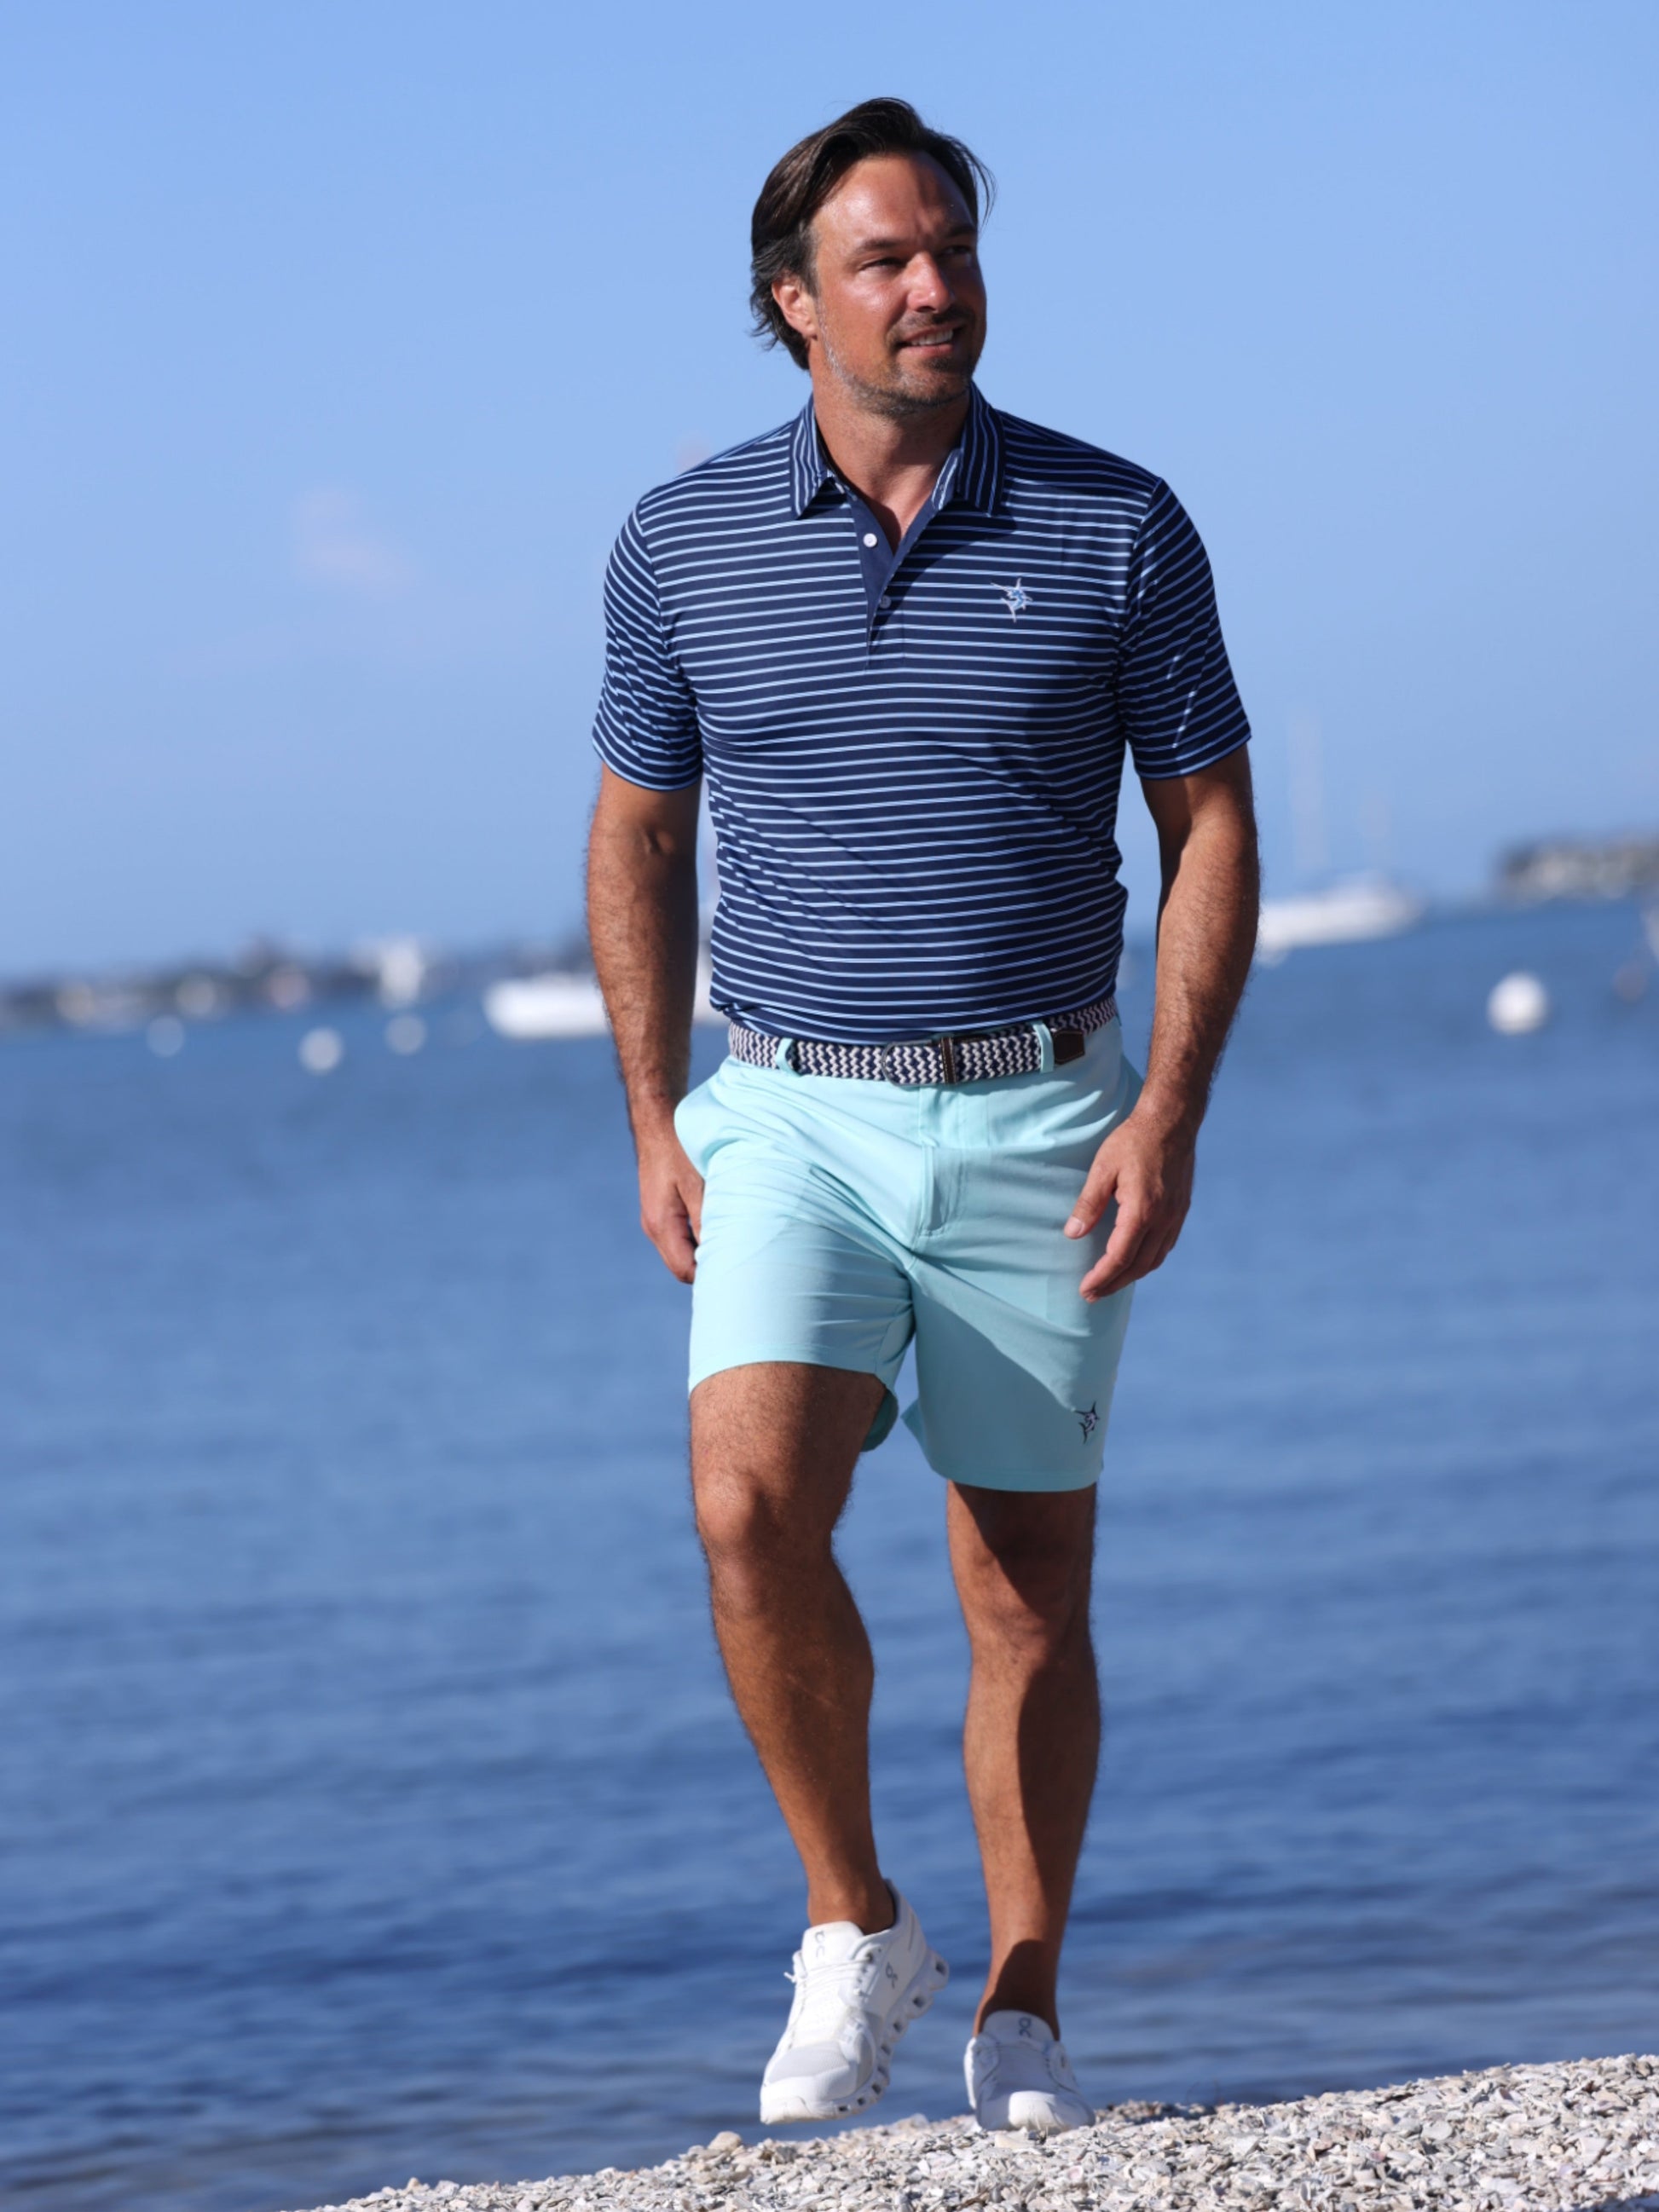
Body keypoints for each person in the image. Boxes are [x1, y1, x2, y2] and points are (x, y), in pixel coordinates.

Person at [586, 97, 1258, 2137]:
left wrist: (1167, 1108)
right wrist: (652, 1115)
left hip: (1044, 1111)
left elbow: (1211, 823)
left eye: (950, 248)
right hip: (791, 1109)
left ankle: (1025, 1996)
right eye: (882, 257)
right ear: (793, 301)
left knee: (1021, 1580)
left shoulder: (1115, 522)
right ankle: (853, 1918)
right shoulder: (680, 541)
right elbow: (639, 834)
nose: (931, 285)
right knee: (744, 1504)